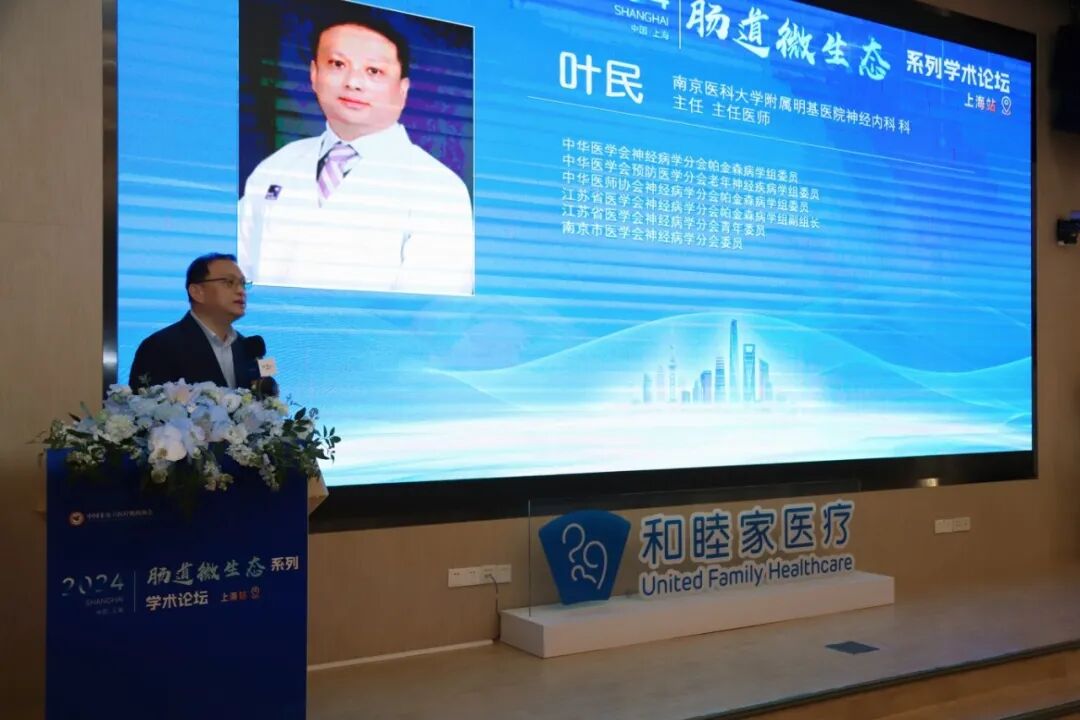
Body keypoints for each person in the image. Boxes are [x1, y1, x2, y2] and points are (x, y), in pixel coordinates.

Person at [238, 13, 475, 296]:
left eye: (374, 71)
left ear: (402, 90)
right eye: (337, 64)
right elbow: (235, 276)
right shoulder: (276, 167)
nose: (353, 82)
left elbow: (426, 310)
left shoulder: (439, 188)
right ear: (314, 74)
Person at [129, 253, 260, 391]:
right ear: (197, 292)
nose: (241, 291)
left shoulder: (246, 348)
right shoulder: (159, 348)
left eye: (243, 284)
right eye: (229, 282)